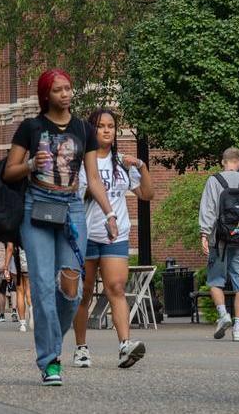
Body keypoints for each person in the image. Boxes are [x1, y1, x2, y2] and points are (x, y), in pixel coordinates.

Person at [3, 68, 117, 386]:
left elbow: (92, 179)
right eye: (58, 90)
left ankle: (53, 342)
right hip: (36, 209)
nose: (65, 94)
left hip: (71, 209)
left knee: (71, 287)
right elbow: (9, 172)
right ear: (46, 95)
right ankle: (50, 360)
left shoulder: (84, 129)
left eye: (68, 88)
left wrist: (109, 215)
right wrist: (29, 165)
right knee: (41, 288)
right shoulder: (31, 127)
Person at [73, 108, 154, 367]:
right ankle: (81, 347)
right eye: (101, 126)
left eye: (111, 126)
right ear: (91, 130)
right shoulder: (82, 161)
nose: (107, 130)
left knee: (116, 288)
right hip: (86, 233)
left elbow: (146, 194)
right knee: (83, 294)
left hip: (115, 235)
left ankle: (125, 346)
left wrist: (141, 165)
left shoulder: (121, 162)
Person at [198, 147, 239, 343]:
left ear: (223, 161)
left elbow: (208, 208)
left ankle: (223, 314)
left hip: (219, 239)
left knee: (215, 281)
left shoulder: (214, 181)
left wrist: (204, 234)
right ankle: (238, 329)